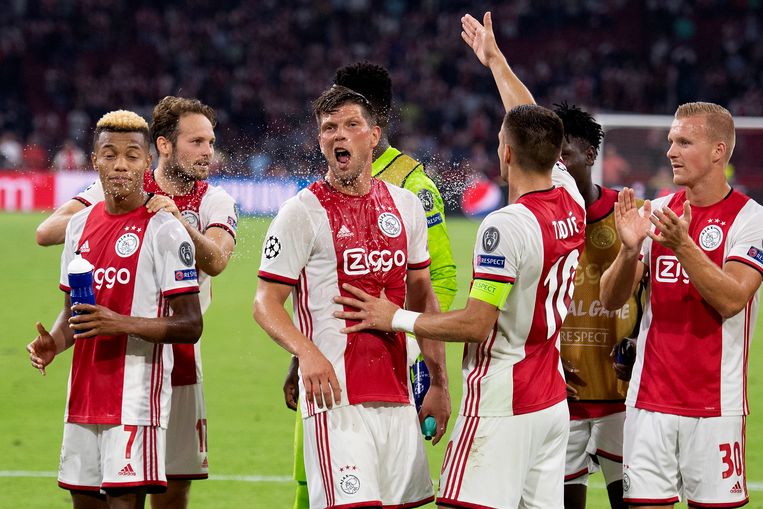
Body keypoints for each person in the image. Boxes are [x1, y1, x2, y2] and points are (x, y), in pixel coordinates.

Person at [34, 96, 238, 509]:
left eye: (210, 142)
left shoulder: (213, 201)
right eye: (197, 142)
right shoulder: (121, 181)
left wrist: (173, 220)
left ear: (144, 156)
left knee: (173, 482)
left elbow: (216, 261)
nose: (207, 152)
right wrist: (114, 208)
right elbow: (46, 232)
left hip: (178, 354)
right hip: (111, 359)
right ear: (163, 147)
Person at [254, 85, 450, 509]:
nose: (339, 134)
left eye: (351, 124)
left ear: (374, 135)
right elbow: (265, 303)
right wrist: (306, 354)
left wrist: (439, 382)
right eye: (329, 128)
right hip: (335, 399)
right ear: (320, 139)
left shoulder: (407, 206)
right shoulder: (300, 212)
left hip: (398, 397)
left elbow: (423, 298)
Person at [600, 102, 763, 508]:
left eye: (685, 142)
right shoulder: (657, 212)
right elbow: (610, 299)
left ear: (718, 151)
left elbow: (732, 299)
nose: (671, 151)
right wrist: (628, 251)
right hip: (647, 401)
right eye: (671, 141)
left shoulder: (750, 219)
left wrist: (683, 245)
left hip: (715, 405)